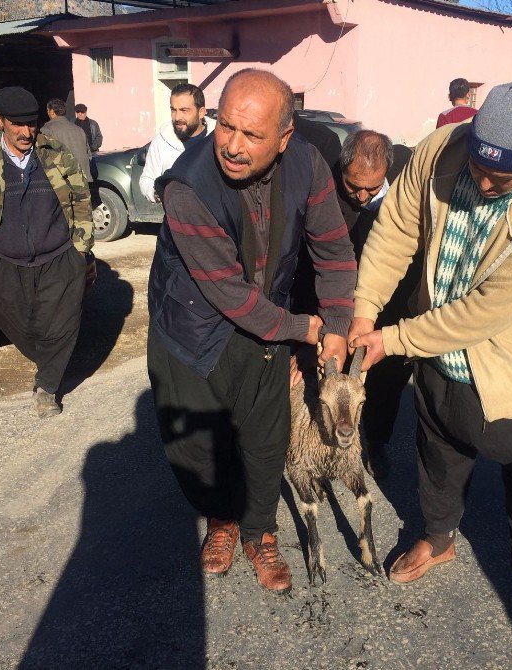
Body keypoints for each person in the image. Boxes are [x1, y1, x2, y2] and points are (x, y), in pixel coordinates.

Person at [349, 81, 512, 656]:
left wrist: (394, 338)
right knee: (438, 452)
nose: (480, 183)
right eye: (478, 164)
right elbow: (397, 229)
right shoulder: (441, 148)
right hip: (437, 357)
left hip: (511, 371)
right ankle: (439, 537)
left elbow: (483, 313)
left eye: (499, 179)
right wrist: (364, 310)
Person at [147, 69, 356, 595]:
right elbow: (229, 293)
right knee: (198, 446)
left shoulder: (308, 163)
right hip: (192, 328)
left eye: (253, 135)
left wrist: (335, 325)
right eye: (226, 128)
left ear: (285, 138)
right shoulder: (186, 187)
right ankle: (222, 520)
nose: (233, 147)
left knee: (265, 438)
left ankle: (260, 529)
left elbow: (333, 250)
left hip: (265, 325)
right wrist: (300, 328)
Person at [290, 130, 416, 479]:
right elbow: (309, 261)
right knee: (328, 369)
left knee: (387, 378)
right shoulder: (324, 188)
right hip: (333, 297)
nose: (361, 196)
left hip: (388, 299)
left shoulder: (408, 176)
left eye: (371, 189)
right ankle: (317, 438)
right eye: (352, 186)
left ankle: (374, 442)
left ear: (388, 172)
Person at [0, 87, 95, 417]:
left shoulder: (55, 154)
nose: (27, 132)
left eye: (32, 124)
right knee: (10, 318)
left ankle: (46, 387)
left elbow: (81, 200)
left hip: (59, 257)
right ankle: (48, 360)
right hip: (4, 261)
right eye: (18, 125)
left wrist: (81, 249)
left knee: (62, 324)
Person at [139, 83, 216, 203]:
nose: (177, 117)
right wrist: (155, 192)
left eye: (184, 110)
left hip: (214, 219)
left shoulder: (218, 137)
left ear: (201, 112)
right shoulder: (161, 141)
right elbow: (147, 179)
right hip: (174, 219)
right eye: (173, 110)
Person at [41, 98, 92, 181]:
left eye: (48, 110)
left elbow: (44, 159)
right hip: (84, 180)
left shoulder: (47, 129)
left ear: (52, 111)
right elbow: (89, 155)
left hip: (63, 183)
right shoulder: (79, 129)